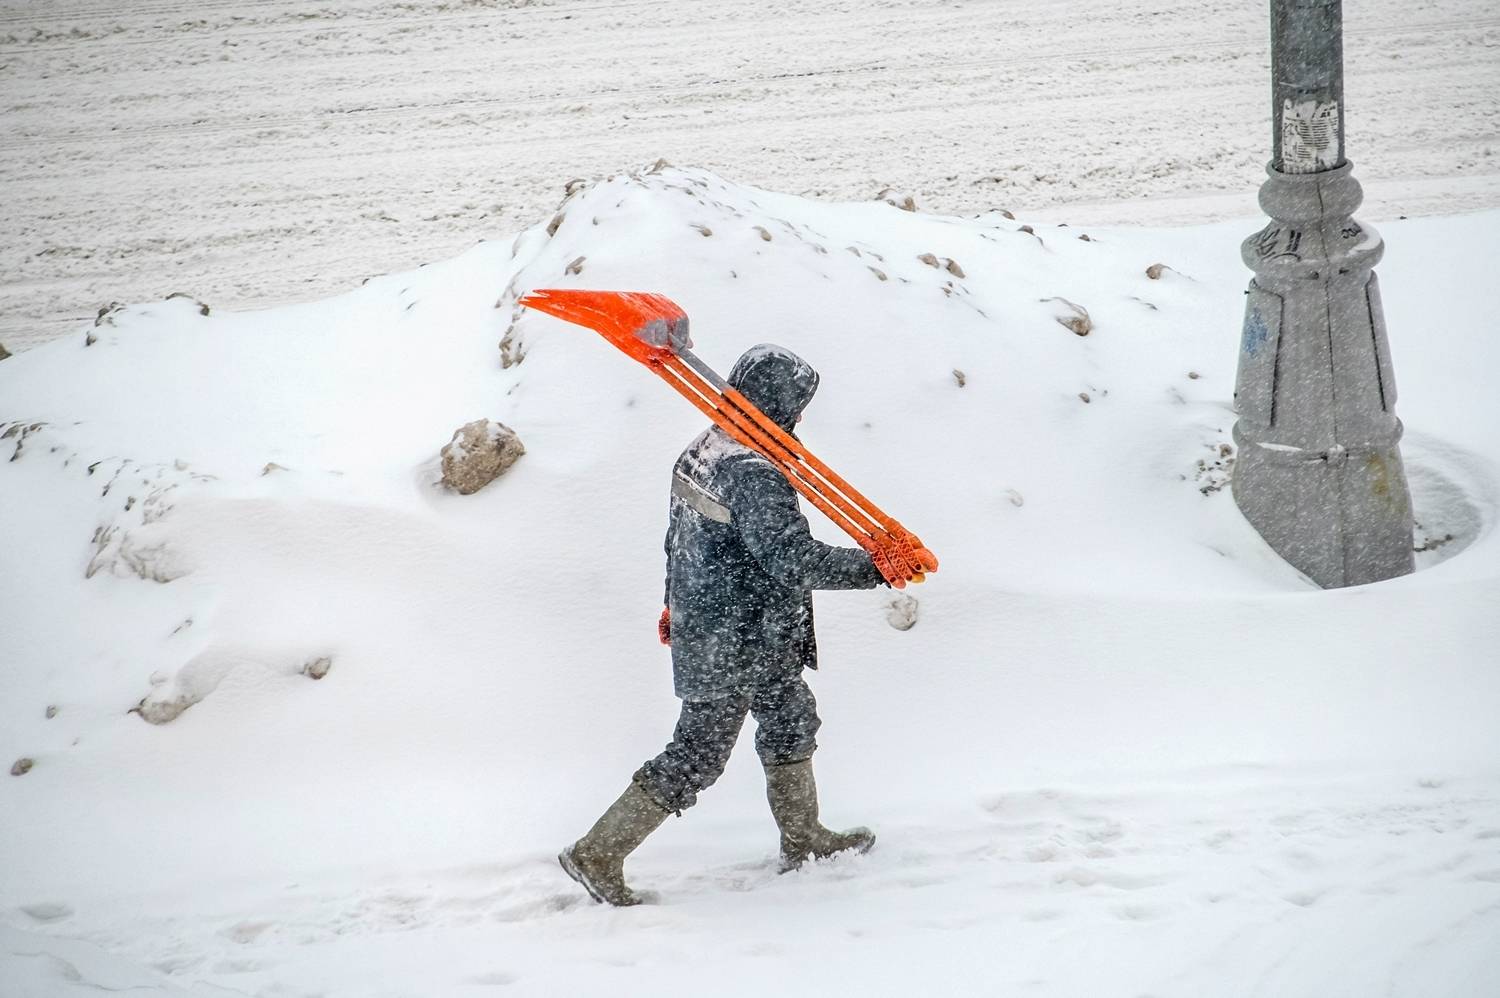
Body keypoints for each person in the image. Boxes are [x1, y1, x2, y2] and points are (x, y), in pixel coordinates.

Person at [559, 344, 890, 906]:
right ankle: (598, 852)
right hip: (732, 637)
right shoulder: (752, 472)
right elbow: (792, 560)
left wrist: (673, 602)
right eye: (797, 404)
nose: (802, 415)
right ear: (775, 405)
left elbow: (678, 540)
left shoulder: (706, 448)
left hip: (743, 627)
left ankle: (804, 838)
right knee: (700, 751)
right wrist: (876, 568)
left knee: (789, 718)